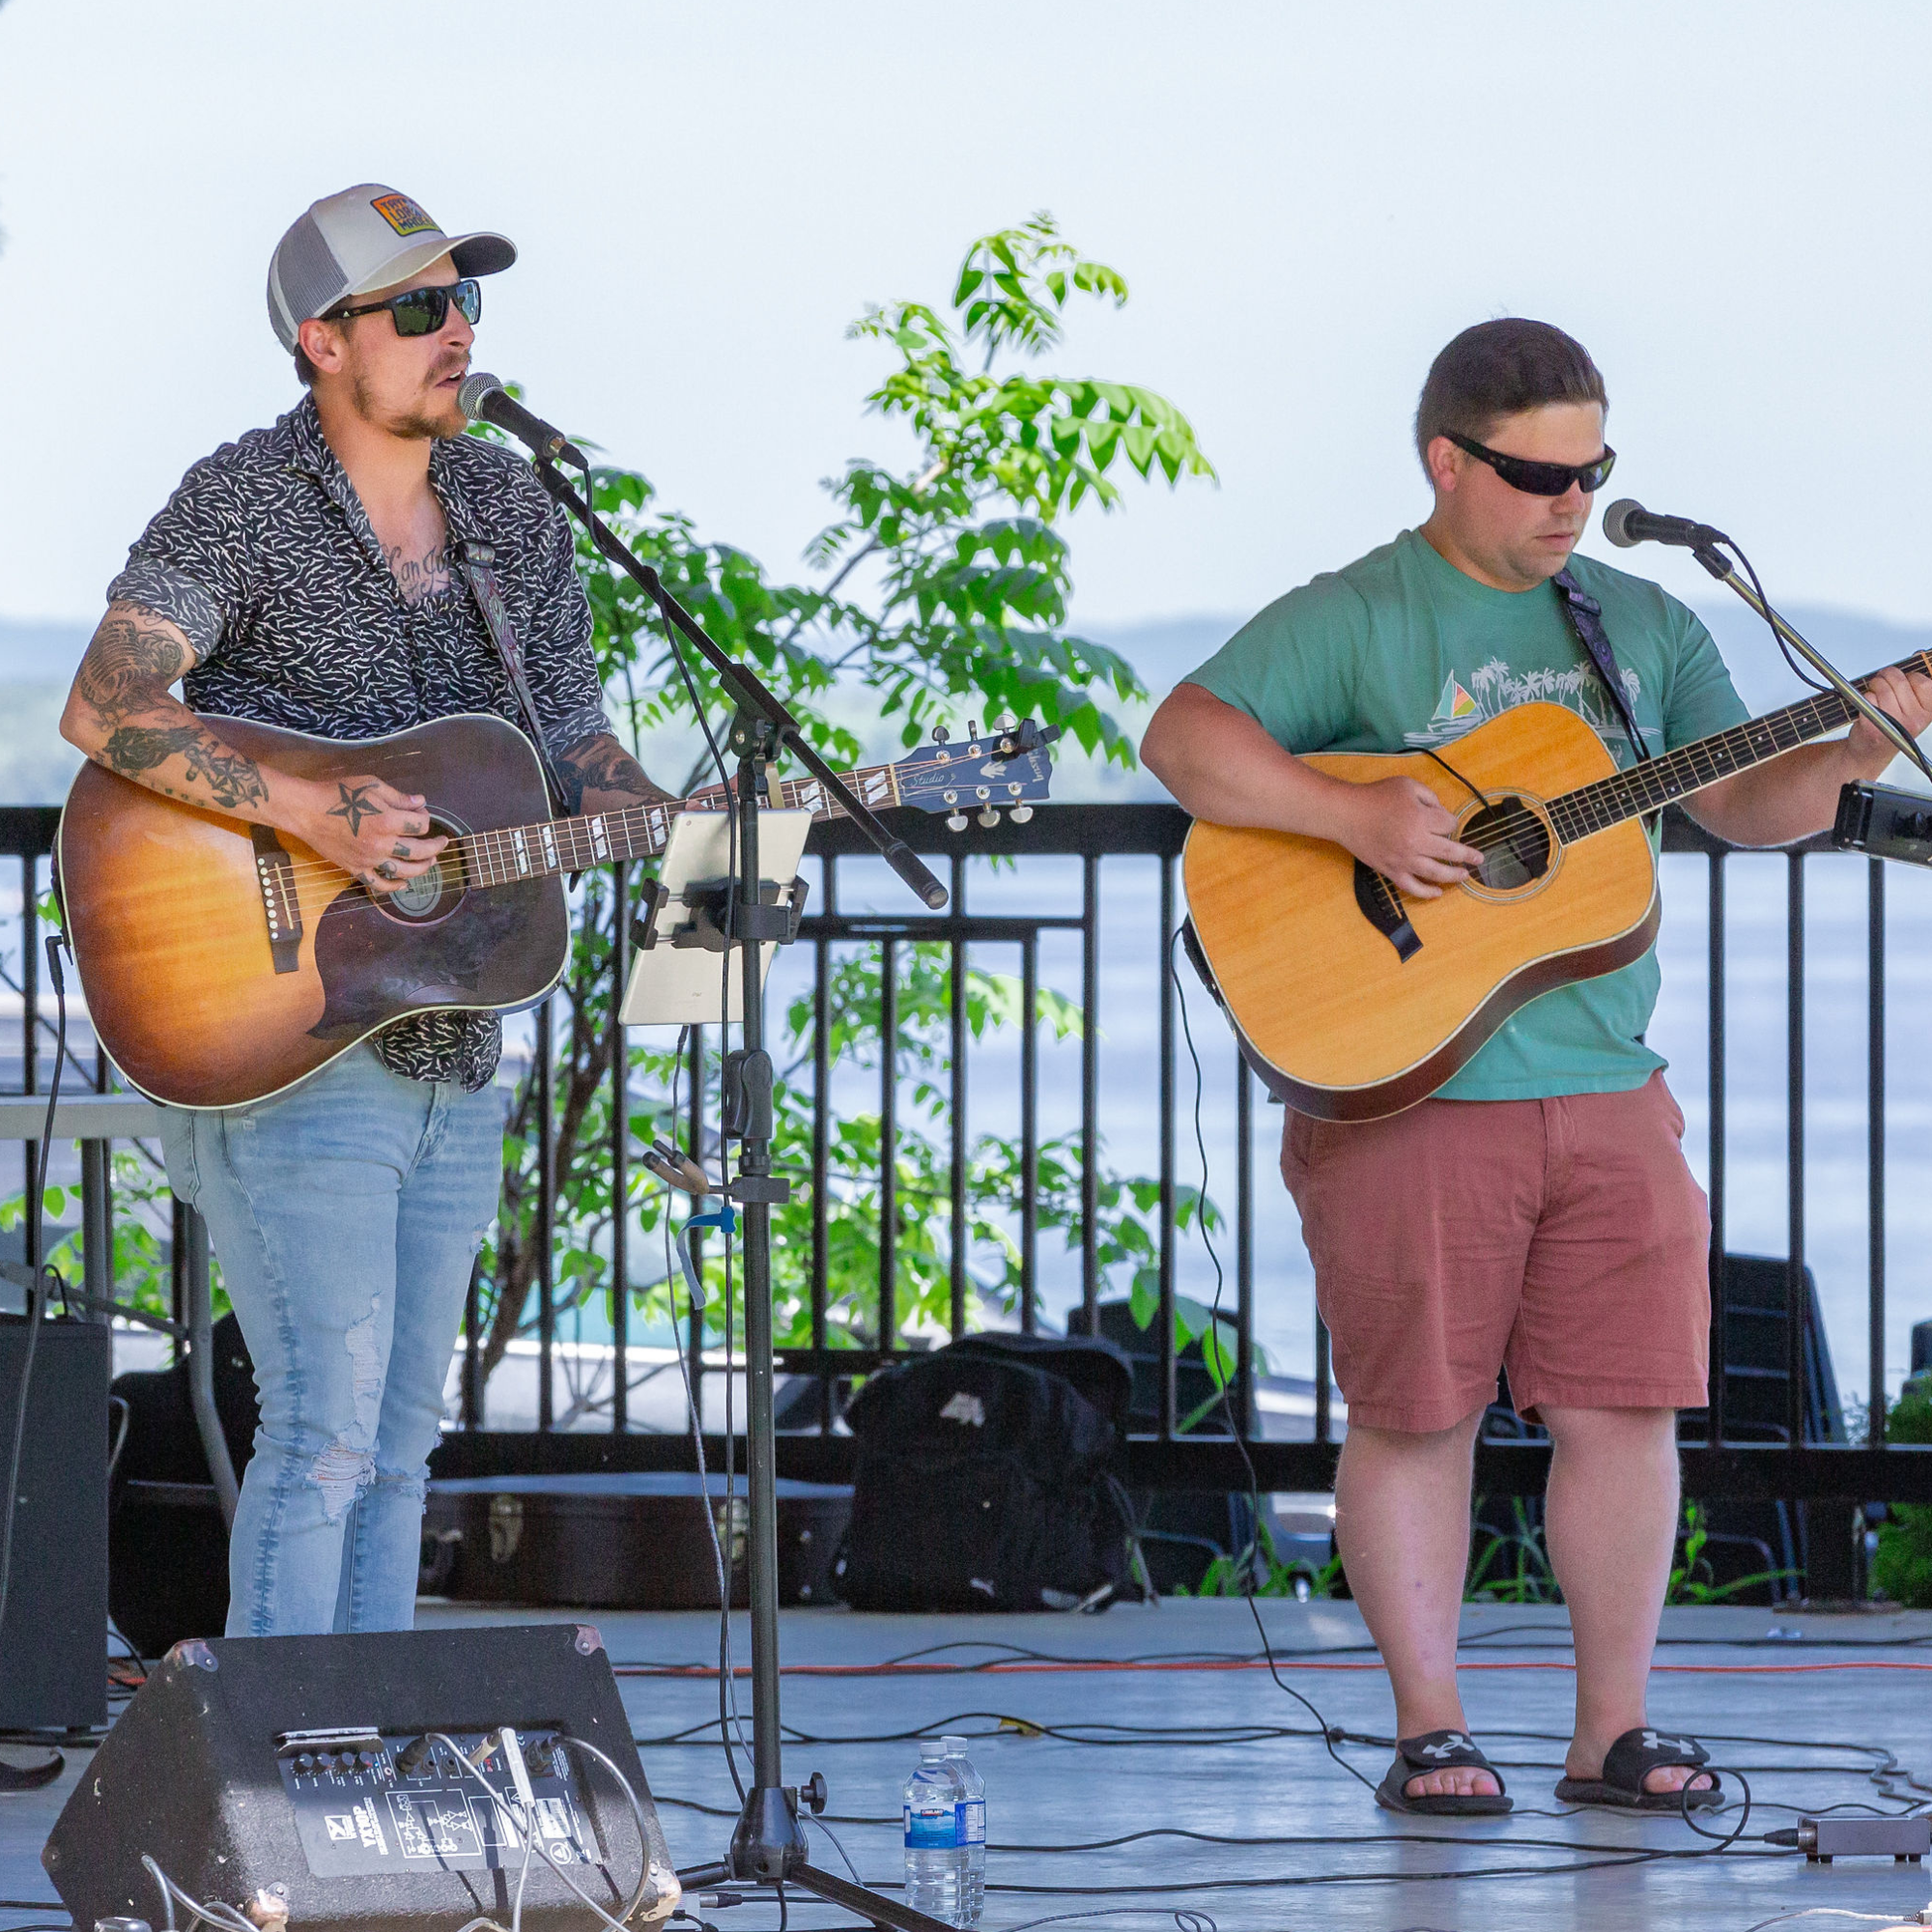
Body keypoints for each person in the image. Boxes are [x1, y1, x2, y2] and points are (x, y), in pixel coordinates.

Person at [1140, 319, 1932, 1815]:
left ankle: (1612, 1735)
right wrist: (1357, 817)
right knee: (1417, 1414)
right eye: (1536, 473)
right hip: (1410, 1076)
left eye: (1594, 470)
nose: (1571, 499)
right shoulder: (1358, 613)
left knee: (1628, 1407)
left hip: (1608, 1074)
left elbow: (1749, 807)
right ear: (1447, 461)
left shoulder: (1638, 623)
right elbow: (1184, 738)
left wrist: (1864, 738)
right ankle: (1432, 1728)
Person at [58, 183, 670, 1638]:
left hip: (453, 1039)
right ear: (323, 342)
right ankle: (279, 1791)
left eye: (465, 301)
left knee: (402, 1447)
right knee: (323, 1434)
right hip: (284, 1027)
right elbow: (107, 706)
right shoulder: (246, 501)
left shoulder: (516, 515)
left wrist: (673, 813)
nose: (456, 330)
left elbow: (574, 743)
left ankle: (366, 1778)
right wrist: (310, 809)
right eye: (419, 308)